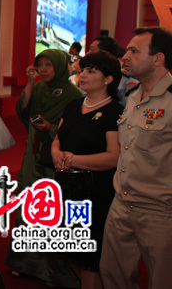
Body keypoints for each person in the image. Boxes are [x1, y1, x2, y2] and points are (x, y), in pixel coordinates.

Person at [5, 48, 84, 288]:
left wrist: (51, 129)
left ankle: (51, 270)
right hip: (33, 154)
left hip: (55, 158)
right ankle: (23, 263)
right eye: (40, 65)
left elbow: (75, 130)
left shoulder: (73, 94)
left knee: (52, 214)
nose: (43, 70)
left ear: (60, 67)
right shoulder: (38, 88)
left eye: (49, 65)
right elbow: (23, 113)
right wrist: (29, 84)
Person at [100, 27, 172, 289]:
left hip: (160, 212)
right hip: (121, 204)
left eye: (133, 50)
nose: (125, 56)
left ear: (158, 58)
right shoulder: (132, 97)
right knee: (112, 276)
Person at [51, 51, 123, 289]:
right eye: (83, 70)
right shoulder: (73, 105)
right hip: (66, 188)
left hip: (95, 191)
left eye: (92, 71)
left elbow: (114, 157)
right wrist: (55, 152)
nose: (83, 75)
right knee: (71, 250)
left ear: (108, 79)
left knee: (90, 257)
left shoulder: (114, 112)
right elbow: (59, 138)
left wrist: (73, 160)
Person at [89, 35, 138, 106]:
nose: (88, 53)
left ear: (105, 53)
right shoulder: (86, 76)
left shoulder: (126, 80)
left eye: (92, 50)